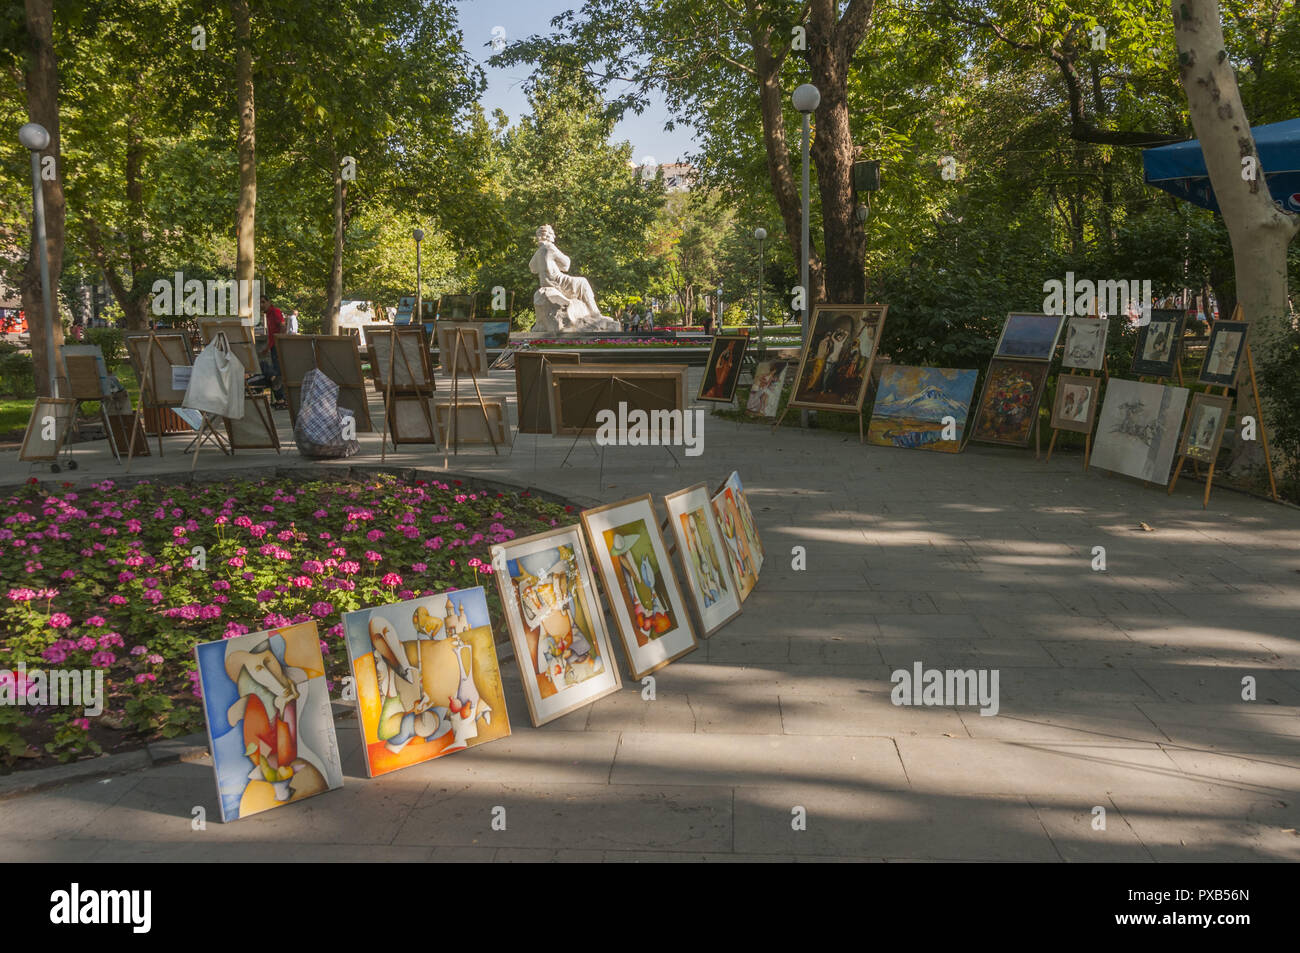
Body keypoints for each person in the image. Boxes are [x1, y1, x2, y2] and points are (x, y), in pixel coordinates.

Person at [258, 294, 287, 406]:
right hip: (273, 347)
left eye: (263, 302)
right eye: (260, 303)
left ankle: (282, 399)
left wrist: (280, 343)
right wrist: (266, 349)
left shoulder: (275, 311)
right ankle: (280, 399)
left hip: (277, 347)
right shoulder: (268, 315)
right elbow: (271, 335)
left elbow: (282, 326)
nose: (261, 305)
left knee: (276, 374)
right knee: (273, 372)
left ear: (269, 302)